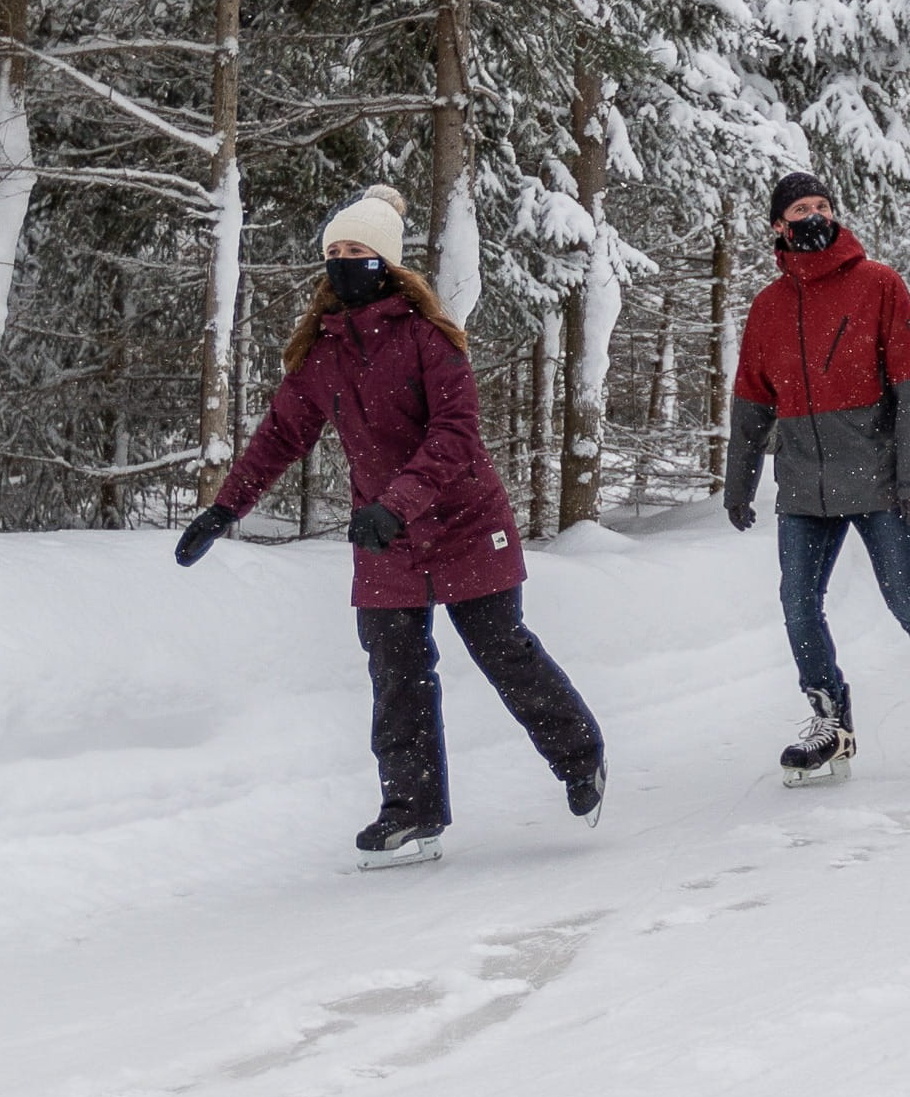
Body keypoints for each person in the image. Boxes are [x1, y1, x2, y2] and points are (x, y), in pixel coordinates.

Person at [175, 186, 604, 870]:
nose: (345, 263)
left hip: (463, 519)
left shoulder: (429, 341)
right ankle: (413, 812)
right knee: (396, 672)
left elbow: (456, 434)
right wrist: (226, 508)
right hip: (386, 536)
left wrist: (396, 503)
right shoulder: (323, 353)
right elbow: (281, 435)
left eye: (359, 252)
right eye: (336, 252)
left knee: (502, 650)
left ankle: (581, 756)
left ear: (388, 264)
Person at [723, 170, 910, 784]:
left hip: (877, 479)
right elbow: (751, 401)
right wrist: (738, 483)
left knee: (904, 595)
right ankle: (831, 722)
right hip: (801, 484)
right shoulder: (768, 308)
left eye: (823, 205)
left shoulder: (879, 285)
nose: (814, 215)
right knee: (798, 605)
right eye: (801, 208)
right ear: (779, 225)